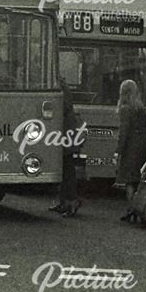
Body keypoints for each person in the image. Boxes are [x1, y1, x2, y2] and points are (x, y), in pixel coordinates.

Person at [115, 79, 146, 224]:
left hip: (130, 148)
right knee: (137, 180)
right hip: (141, 147)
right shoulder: (141, 108)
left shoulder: (125, 108)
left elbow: (124, 132)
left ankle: (131, 210)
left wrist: (118, 150)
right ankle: (137, 210)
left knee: (129, 181)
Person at [49, 80, 83, 217]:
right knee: (65, 169)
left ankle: (71, 202)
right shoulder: (62, 85)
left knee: (67, 169)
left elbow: (63, 107)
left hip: (64, 135)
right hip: (65, 134)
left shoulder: (60, 85)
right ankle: (65, 201)